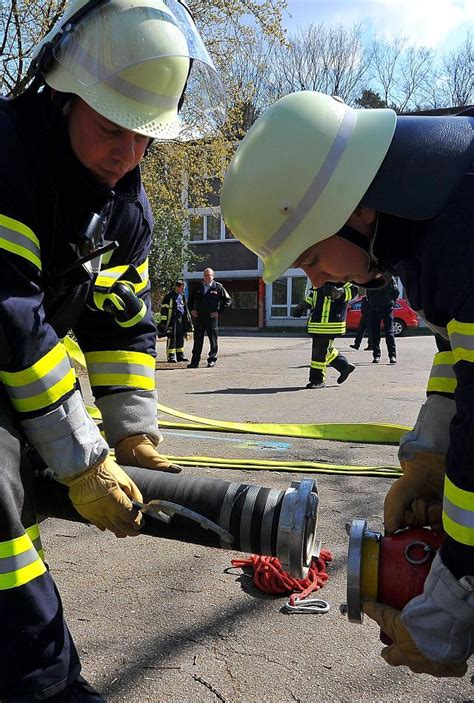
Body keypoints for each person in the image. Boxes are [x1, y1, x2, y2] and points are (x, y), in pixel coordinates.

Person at [0, 0, 225, 699]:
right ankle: (43, 684)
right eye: (110, 129)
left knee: (20, 522)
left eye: (146, 137)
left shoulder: (125, 207)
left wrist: (134, 436)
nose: (127, 154)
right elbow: (10, 314)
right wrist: (81, 454)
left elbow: (121, 326)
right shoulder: (8, 156)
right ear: (65, 96)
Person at [221, 90, 474, 678]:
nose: (317, 277)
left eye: (310, 256)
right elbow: (457, 351)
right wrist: (430, 457)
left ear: (354, 207)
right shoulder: (420, 217)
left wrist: (456, 589)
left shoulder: (461, 231)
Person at [294, 282, 356, 388]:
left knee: (319, 351)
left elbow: (353, 290)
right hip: (318, 322)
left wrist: (340, 293)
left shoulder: (342, 274)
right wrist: (303, 305)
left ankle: (318, 380)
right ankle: (344, 367)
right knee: (323, 350)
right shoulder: (320, 277)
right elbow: (314, 295)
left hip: (330, 322)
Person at [187, 268, 231, 368]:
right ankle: (195, 362)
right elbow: (190, 300)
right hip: (199, 317)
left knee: (213, 340)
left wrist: (218, 312)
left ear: (213, 276)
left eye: (209, 275)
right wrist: (192, 310)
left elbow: (227, 300)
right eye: (205, 275)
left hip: (211, 318)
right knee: (198, 340)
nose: (207, 277)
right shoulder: (198, 287)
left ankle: (212, 360)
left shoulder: (218, 287)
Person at [366, 276, 399, 363]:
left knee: (389, 332)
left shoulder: (389, 278)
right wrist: (371, 303)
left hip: (387, 308)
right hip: (374, 308)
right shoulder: (370, 279)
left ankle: (392, 356)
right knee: (375, 333)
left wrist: (391, 302)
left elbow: (396, 292)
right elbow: (368, 293)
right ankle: (376, 355)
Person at [158, 280, 193, 362]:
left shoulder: (182, 296)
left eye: (183, 288)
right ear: (177, 287)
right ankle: (171, 356)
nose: (183, 290)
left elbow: (185, 309)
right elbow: (164, 310)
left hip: (181, 320)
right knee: (172, 337)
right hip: (172, 320)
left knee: (181, 337)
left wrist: (188, 321)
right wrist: (164, 323)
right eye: (182, 288)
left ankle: (180, 355)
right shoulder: (169, 296)